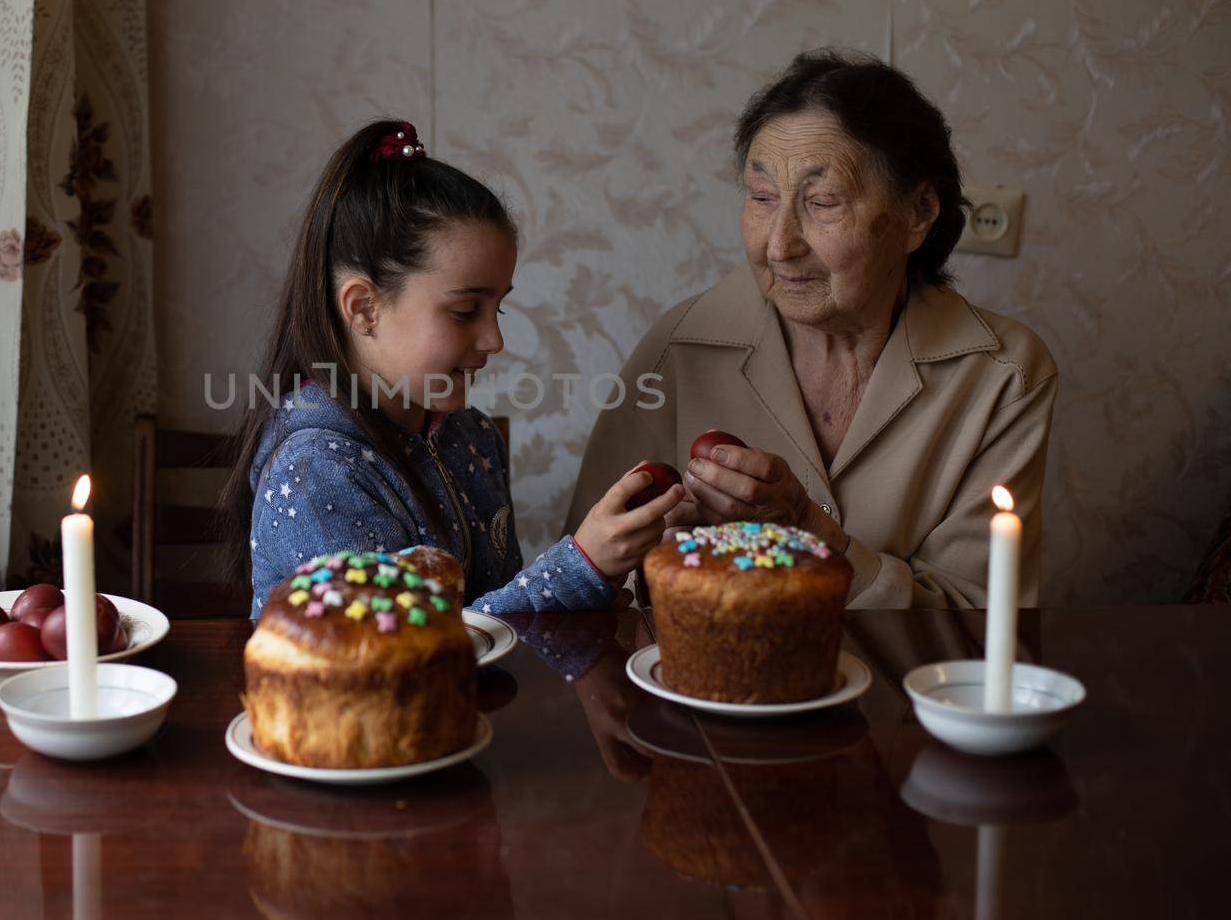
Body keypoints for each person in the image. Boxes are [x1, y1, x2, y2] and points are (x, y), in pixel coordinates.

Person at [567, 49, 1057, 609]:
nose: (779, 246)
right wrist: (657, 561)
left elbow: (981, 625)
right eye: (762, 198)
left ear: (920, 212)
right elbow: (580, 586)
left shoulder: (1002, 374)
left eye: (822, 202)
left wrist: (811, 536)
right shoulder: (677, 349)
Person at [226, 120, 683, 626]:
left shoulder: (472, 437)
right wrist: (579, 569)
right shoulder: (317, 471)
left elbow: (489, 613)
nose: (494, 340)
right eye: (466, 312)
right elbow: (391, 653)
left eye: (498, 310)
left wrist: (601, 578)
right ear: (363, 308)